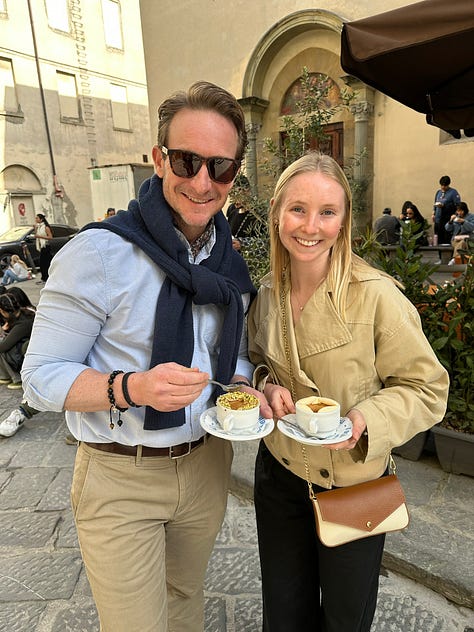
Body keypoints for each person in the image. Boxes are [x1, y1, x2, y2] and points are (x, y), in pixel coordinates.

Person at [21, 81, 271, 632]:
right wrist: (130, 388)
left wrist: (242, 385)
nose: (202, 182)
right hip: (120, 474)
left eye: (221, 168)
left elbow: (229, 356)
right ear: (159, 159)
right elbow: (39, 377)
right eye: (186, 161)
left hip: (206, 465)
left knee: (185, 604)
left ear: (234, 175)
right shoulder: (97, 253)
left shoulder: (227, 263)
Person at [247, 152, 449, 632]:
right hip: (278, 475)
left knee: (345, 620)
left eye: (327, 212)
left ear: (344, 221)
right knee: (283, 615)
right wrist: (264, 386)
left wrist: (367, 420)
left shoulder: (377, 295)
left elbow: (427, 387)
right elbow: (255, 361)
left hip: (355, 487)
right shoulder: (266, 292)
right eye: (298, 209)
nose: (310, 227)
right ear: (276, 212)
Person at [0, 293, 35, 389]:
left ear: (2, 311)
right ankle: (6, 376)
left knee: (2, 345)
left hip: (26, 351)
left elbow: (4, 346)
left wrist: (3, 331)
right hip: (29, 347)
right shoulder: (26, 312)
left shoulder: (22, 324)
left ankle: (16, 378)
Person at [226, 174, 259, 250]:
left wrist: (243, 244)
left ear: (247, 191)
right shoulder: (232, 210)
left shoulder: (258, 214)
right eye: (231, 194)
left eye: (236, 193)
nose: (233, 198)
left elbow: (266, 241)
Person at [432, 175, 461, 245]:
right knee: (438, 239)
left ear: (448, 185)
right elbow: (435, 203)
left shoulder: (453, 192)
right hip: (438, 219)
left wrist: (444, 206)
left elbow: (457, 206)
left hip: (447, 219)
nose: (443, 187)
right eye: (441, 185)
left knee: (446, 240)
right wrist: (433, 213)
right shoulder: (438, 192)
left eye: (445, 186)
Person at [34, 213, 53, 284]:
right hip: (41, 246)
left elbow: (50, 237)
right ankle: (44, 278)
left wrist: (40, 237)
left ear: (41, 219)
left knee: (45, 263)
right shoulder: (39, 227)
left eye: (37, 218)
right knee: (42, 263)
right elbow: (36, 235)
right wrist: (35, 228)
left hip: (46, 246)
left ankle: (46, 278)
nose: (36, 219)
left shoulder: (45, 227)